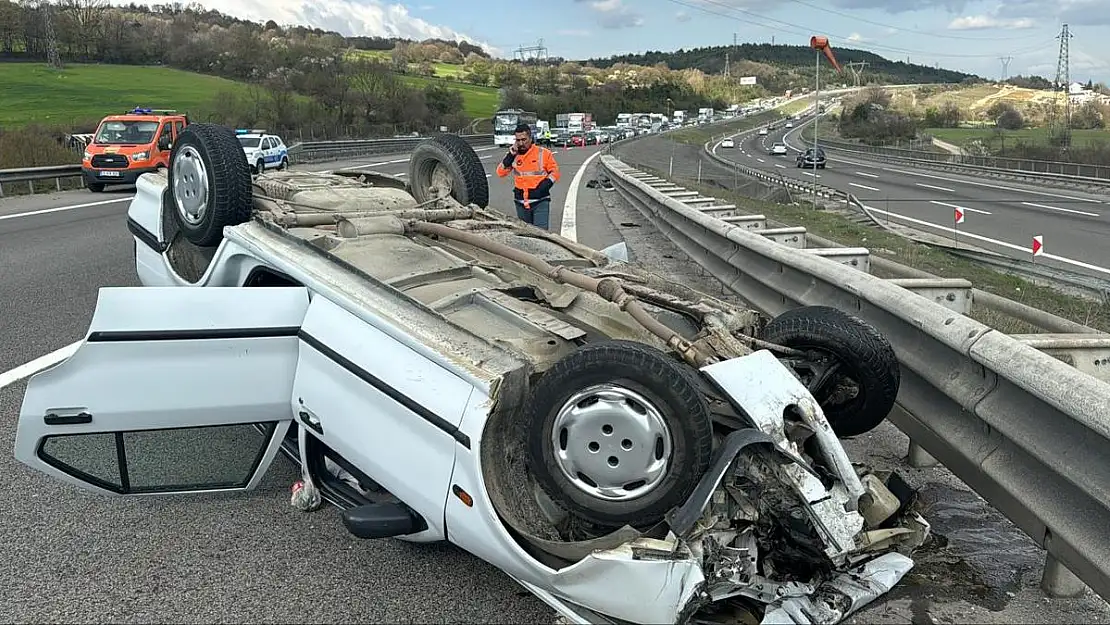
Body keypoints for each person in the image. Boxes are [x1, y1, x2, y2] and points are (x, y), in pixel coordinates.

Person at [496, 122, 561, 230]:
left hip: (540, 201)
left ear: (530, 138)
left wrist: (544, 186)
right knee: (526, 236)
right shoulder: (514, 155)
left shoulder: (543, 153)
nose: (521, 143)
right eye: (518, 140)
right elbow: (500, 173)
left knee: (541, 235)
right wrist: (510, 156)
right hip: (520, 202)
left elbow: (555, 172)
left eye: (524, 139)